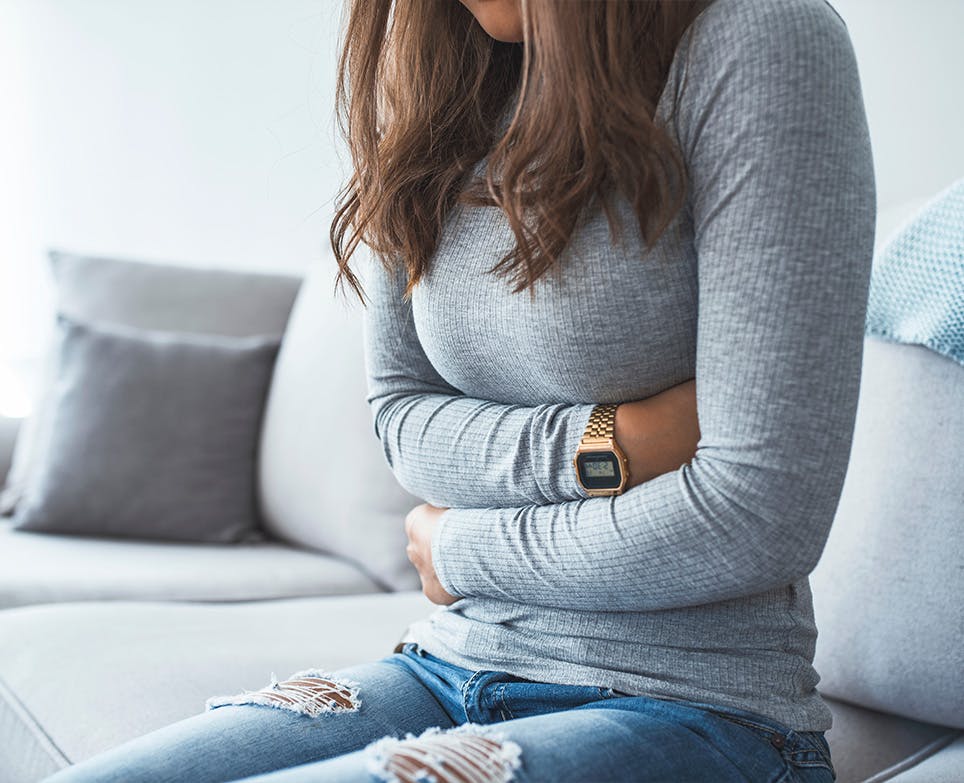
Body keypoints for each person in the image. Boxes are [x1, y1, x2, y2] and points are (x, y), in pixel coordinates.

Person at [42, 0, 875, 780]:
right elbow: (402, 417)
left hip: (699, 706)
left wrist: (456, 549)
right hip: (445, 660)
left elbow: (756, 517)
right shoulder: (445, 78)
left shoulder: (762, 41)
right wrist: (613, 441)